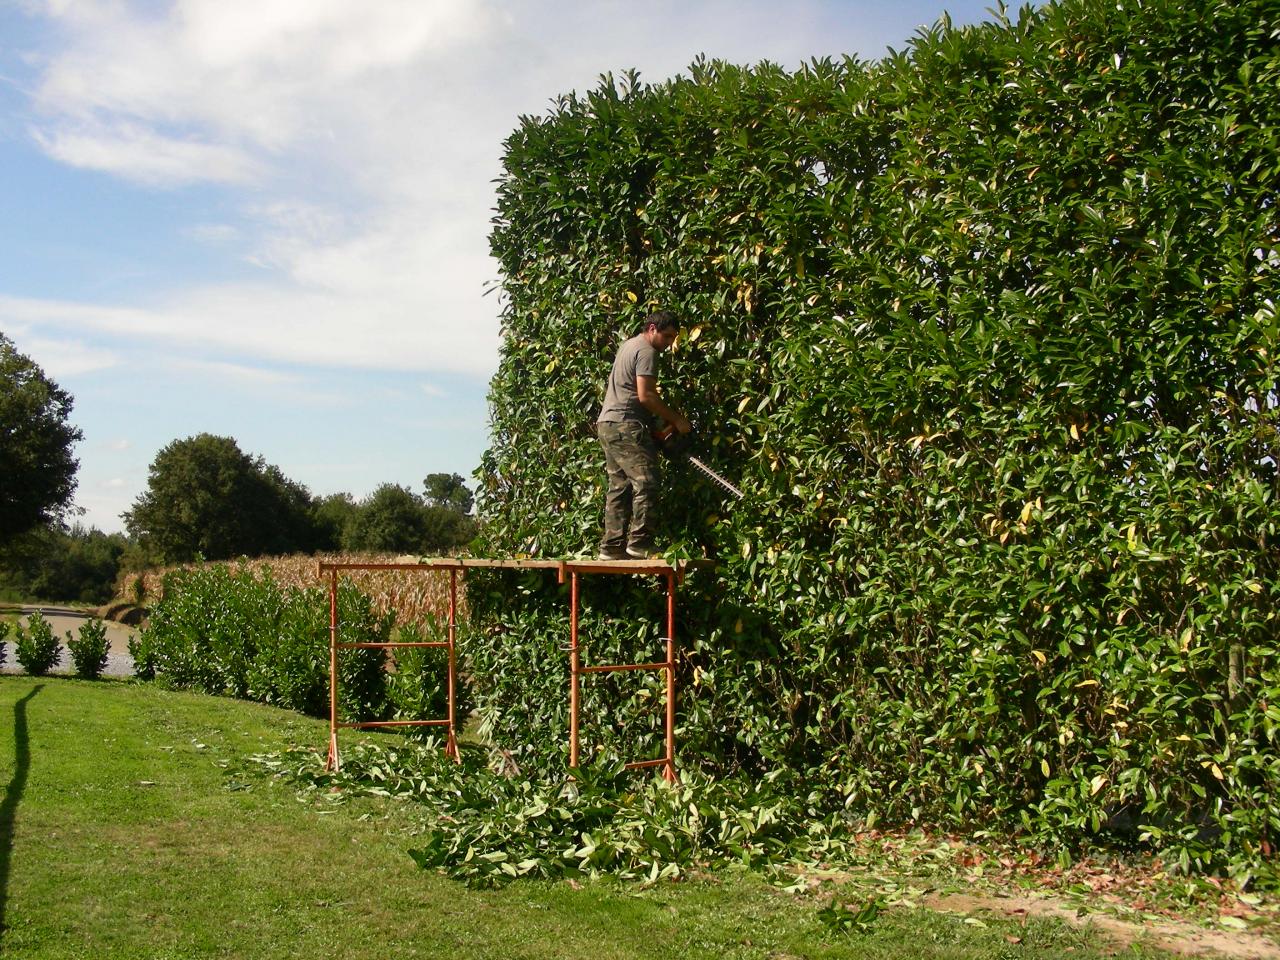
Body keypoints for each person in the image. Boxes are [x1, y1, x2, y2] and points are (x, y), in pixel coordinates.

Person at [595, 310, 692, 560]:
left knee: (620, 486)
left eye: (673, 338)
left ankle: (611, 547)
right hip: (626, 424)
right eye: (667, 336)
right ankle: (640, 542)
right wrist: (676, 419)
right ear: (652, 329)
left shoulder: (628, 345)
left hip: (608, 422)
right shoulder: (647, 351)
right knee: (647, 481)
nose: (669, 343)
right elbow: (645, 396)